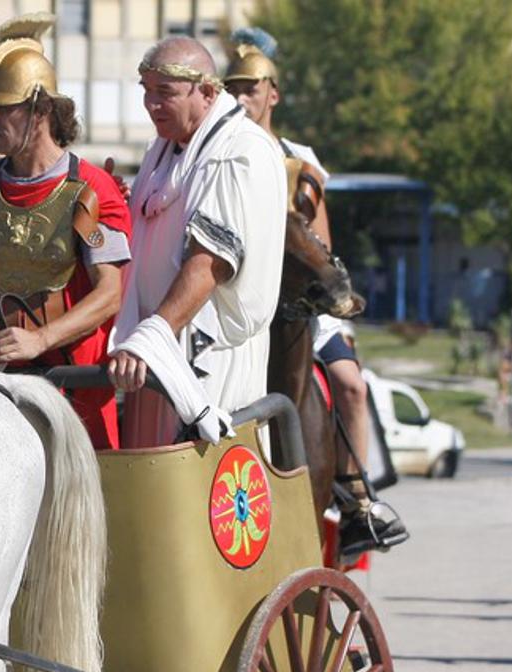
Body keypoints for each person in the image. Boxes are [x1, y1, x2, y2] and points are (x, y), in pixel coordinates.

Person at [223, 28, 407, 555]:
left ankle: (357, 501)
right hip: (239, 301)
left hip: (301, 303)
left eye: (251, 88)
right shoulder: (221, 153)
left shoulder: (299, 161)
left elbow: (319, 243)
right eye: (233, 89)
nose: (242, 98)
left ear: (272, 94)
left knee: (350, 384)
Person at [0, 14, 132, 449]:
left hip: (71, 387)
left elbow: (110, 294)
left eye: (4, 108)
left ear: (41, 110)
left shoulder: (92, 189)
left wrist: (40, 339)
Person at [105, 36, 286, 450]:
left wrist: (152, 337)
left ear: (205, 92)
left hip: (210, 364)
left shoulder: (241, 150)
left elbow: (210, 264)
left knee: (205, 485)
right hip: (153, 356)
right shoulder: (161, 151)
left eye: (165, 92)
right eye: (147, 91)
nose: (151, 104)